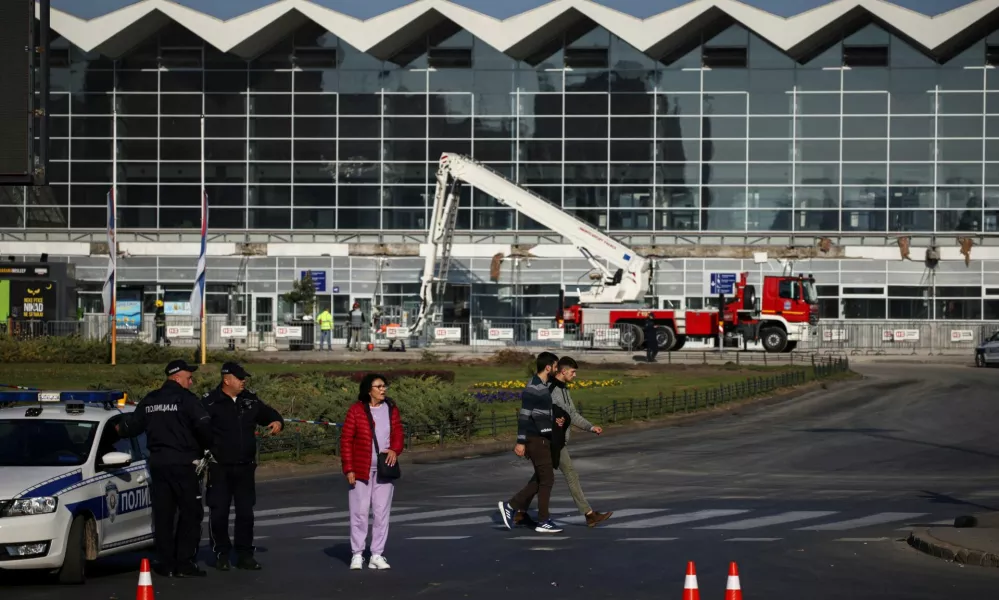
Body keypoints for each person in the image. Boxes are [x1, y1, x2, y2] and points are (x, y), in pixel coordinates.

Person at [115, 360, 212, 578]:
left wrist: (118, 428)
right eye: (189, 377)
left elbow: (131, 427)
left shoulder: (150, 399)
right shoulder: (187, 400)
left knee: (164, 515)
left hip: (158, 465)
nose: (192, 381)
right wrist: (207, 448)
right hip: (185, 465)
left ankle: (166, 564)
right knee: (190, 514)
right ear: (177, 378)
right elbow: (204, 425)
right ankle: (185, 564)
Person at [201, 362, 284, 572]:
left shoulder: (249, 399)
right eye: (239, 378)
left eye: (244, 378)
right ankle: (221, 553)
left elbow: (270, 414)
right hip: (220, 467)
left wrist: (277, 421)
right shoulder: (210, 403)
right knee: (219, 512)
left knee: (246, 513)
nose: (243, 381)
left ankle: (245, 554)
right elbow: (198, 428)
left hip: (245, 467)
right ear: (226, 379)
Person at [340, 373, 404, 570]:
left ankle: (377, 554)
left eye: (384, 386)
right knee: (359, 512)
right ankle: (357, 554)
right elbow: (346, 440)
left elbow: (398, 432)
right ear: (369, 390)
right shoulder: (356, 411)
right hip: (361, 470)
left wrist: (395, 449)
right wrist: (349, 469)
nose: (383, 389)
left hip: (385, 469)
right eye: (379, 386)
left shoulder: (391, 409)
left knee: (381, 513)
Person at [498, 351, 563, 534]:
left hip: (543, 437)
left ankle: (512, 506)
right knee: (547, 479)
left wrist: (553, 421)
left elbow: (540, 413)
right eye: (555, 366)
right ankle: (541, 520)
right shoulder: (533, 387)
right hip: (536, 439)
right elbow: (524, 417)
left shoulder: (542, 386)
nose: (557, 369)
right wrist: (520, 442)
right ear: (548, 367)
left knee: (540, 478)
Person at [549, 356, 612, 527]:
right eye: (573, 371)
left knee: (540, 479)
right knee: (570, 474)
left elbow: (572, 414)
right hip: (551, 441)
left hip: (558, 440)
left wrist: (590, 427)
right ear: (563, 371)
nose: (575, 375)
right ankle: (589, 514)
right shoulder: (552, 389)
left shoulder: (564, 389)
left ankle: (517, 510)